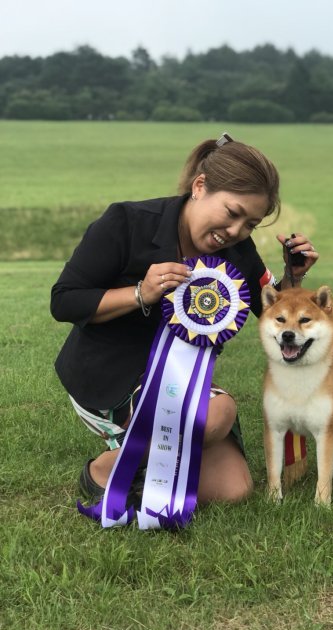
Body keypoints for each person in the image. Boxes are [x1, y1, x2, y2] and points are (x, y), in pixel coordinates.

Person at [50, 132, 318, 509]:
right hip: (107, 378)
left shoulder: (238, 251)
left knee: (232, 489)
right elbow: (64, 301)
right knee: (217, 415)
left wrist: (294, 279)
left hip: (183, 388)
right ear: (200, 186)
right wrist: (141, 292)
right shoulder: (127, 222)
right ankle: (102, 470)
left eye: (250, 224)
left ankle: (145, 468)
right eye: (232, 212)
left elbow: (273, 315)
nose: (236, 231)